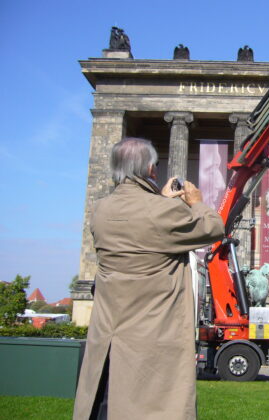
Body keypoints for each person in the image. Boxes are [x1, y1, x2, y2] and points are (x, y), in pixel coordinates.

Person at [73, 137, 224, 420]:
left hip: (109, 336)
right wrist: (195, 202)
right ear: (151, 169)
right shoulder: (164, 212)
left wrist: (160, 200)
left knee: (105, 403)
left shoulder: (100, 211)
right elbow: (213, 228)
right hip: (151, 337)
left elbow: (140, 229)